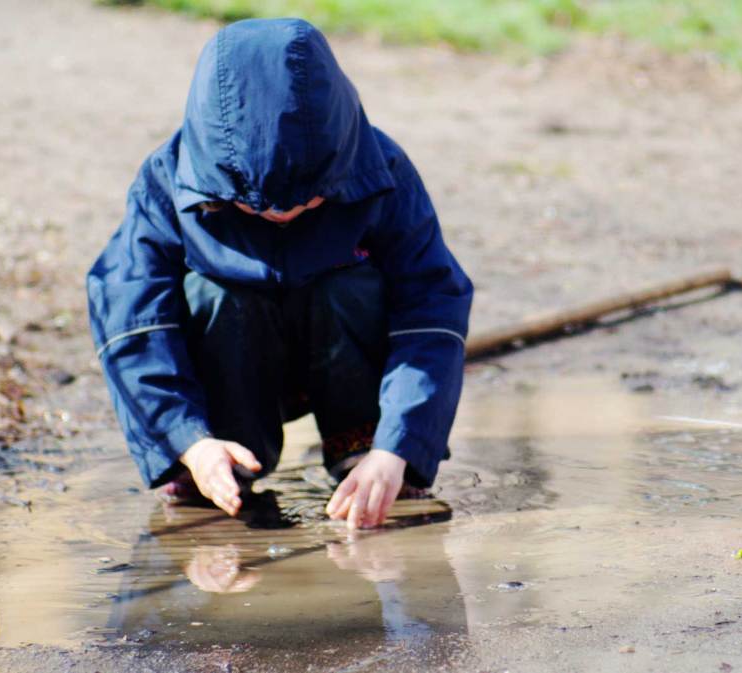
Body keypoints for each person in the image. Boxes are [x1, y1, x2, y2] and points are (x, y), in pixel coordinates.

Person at [86, 17, 472, 529]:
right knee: (211, 290)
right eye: (260, 207)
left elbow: (431, 310)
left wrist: (399, 445)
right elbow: (131, 320)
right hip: (233, 365)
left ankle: (364, 455)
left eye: (310, 198)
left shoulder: (382, 168)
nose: (286, 215)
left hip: (344, 355)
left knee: (352, 287)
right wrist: (187, 440)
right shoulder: (167, 179)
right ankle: (220, 461)